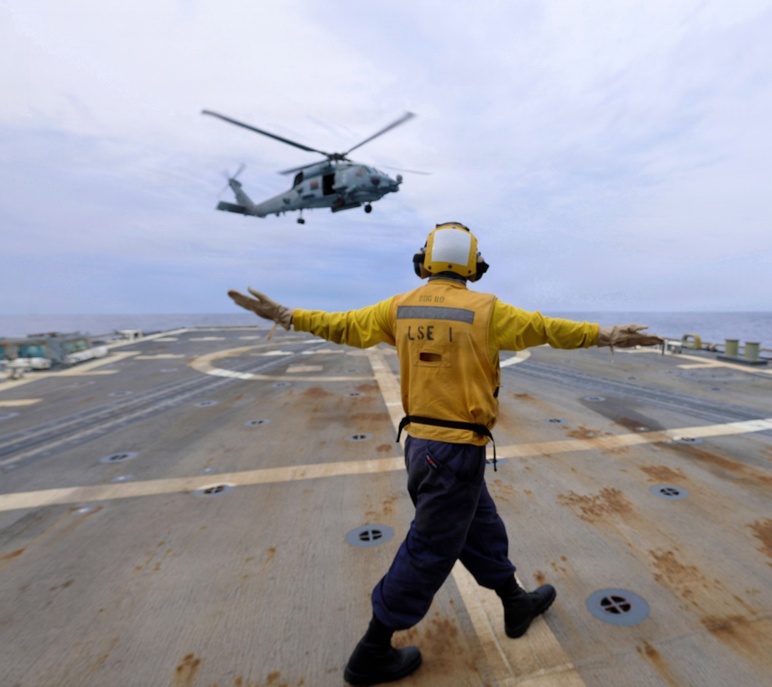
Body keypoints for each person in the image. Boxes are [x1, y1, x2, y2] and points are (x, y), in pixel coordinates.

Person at [228, 222, 663, 685]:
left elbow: (343, 325)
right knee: (430, 549)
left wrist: (288, 315)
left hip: (422, 447)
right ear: (474, 267)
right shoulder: (488, 311)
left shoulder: (399, 308)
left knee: (480, 528)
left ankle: (515, 603)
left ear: (425, 262)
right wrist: (608, 334)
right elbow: (549, 329)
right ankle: (371, 650)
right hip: (455, 453)